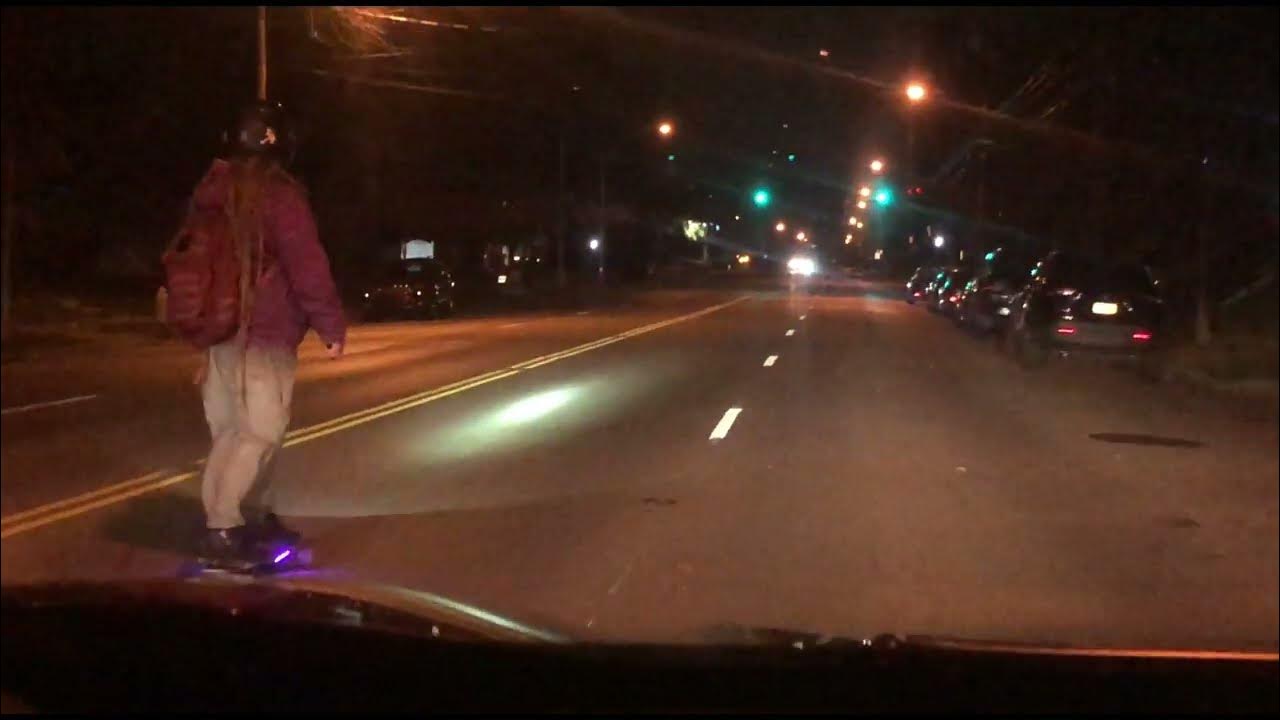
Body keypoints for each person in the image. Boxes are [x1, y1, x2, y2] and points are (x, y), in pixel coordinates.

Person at [191, 100, 346, 563]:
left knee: (232, 434)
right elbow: (306, 263)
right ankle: (223, 527)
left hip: (219, 331)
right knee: (259, 433)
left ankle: (244, 516)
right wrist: (329, 323)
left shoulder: (211, 190)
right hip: (264, 332)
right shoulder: (279, 196)